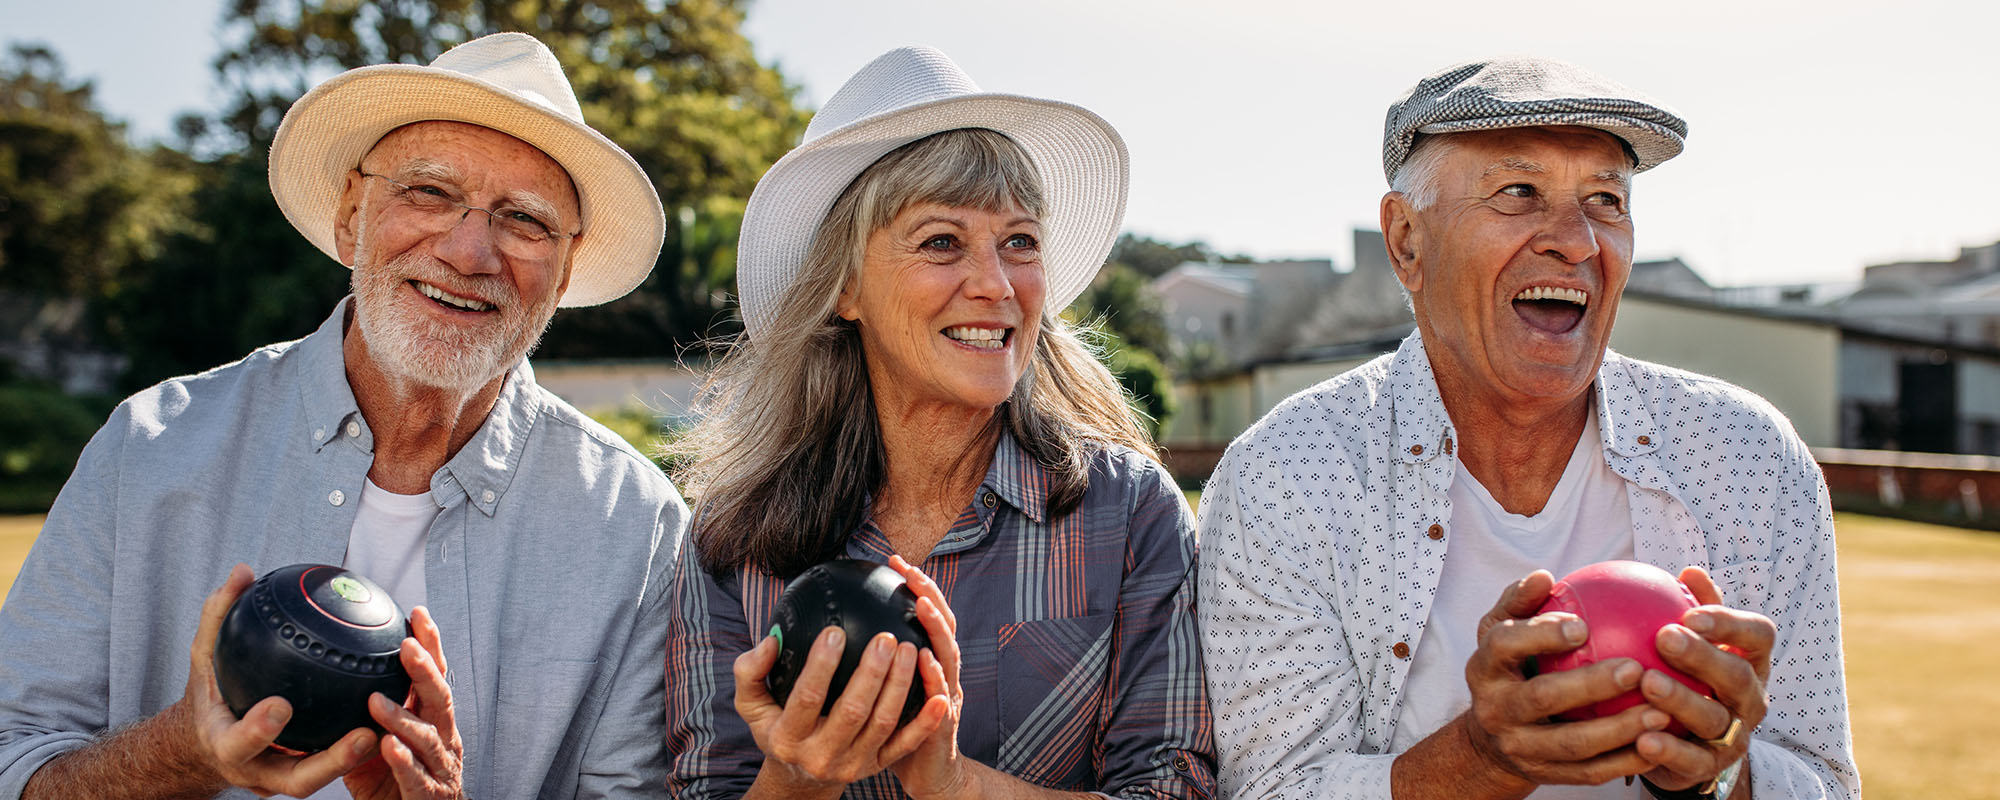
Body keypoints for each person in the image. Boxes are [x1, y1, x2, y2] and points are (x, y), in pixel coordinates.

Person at [0, 33, 686, 800]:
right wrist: (183, 750)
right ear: (352, 215)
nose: (468, 252)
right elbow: (14, 760)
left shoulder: (635, 527)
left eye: (524, 220)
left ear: (562, 272)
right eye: (428, 192)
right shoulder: (151, 445)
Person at [1196, 57, 1859, 800]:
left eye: (1606, 199)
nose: (1575, 241)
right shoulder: (1288, 474)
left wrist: (1716, 774)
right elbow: (1269, 789)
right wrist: (1481, 758)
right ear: (1407, 242)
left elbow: (1821, 778)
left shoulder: (1748, 457)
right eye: (1519, 192)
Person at [664, 46, 1216, 800]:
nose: (995, 284)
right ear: (847, 287)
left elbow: (1176, 789)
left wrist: (955, 785)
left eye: (1019, 241)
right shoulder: (733, 543)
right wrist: (796, 778)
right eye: (941, 242)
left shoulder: (1129, 514)